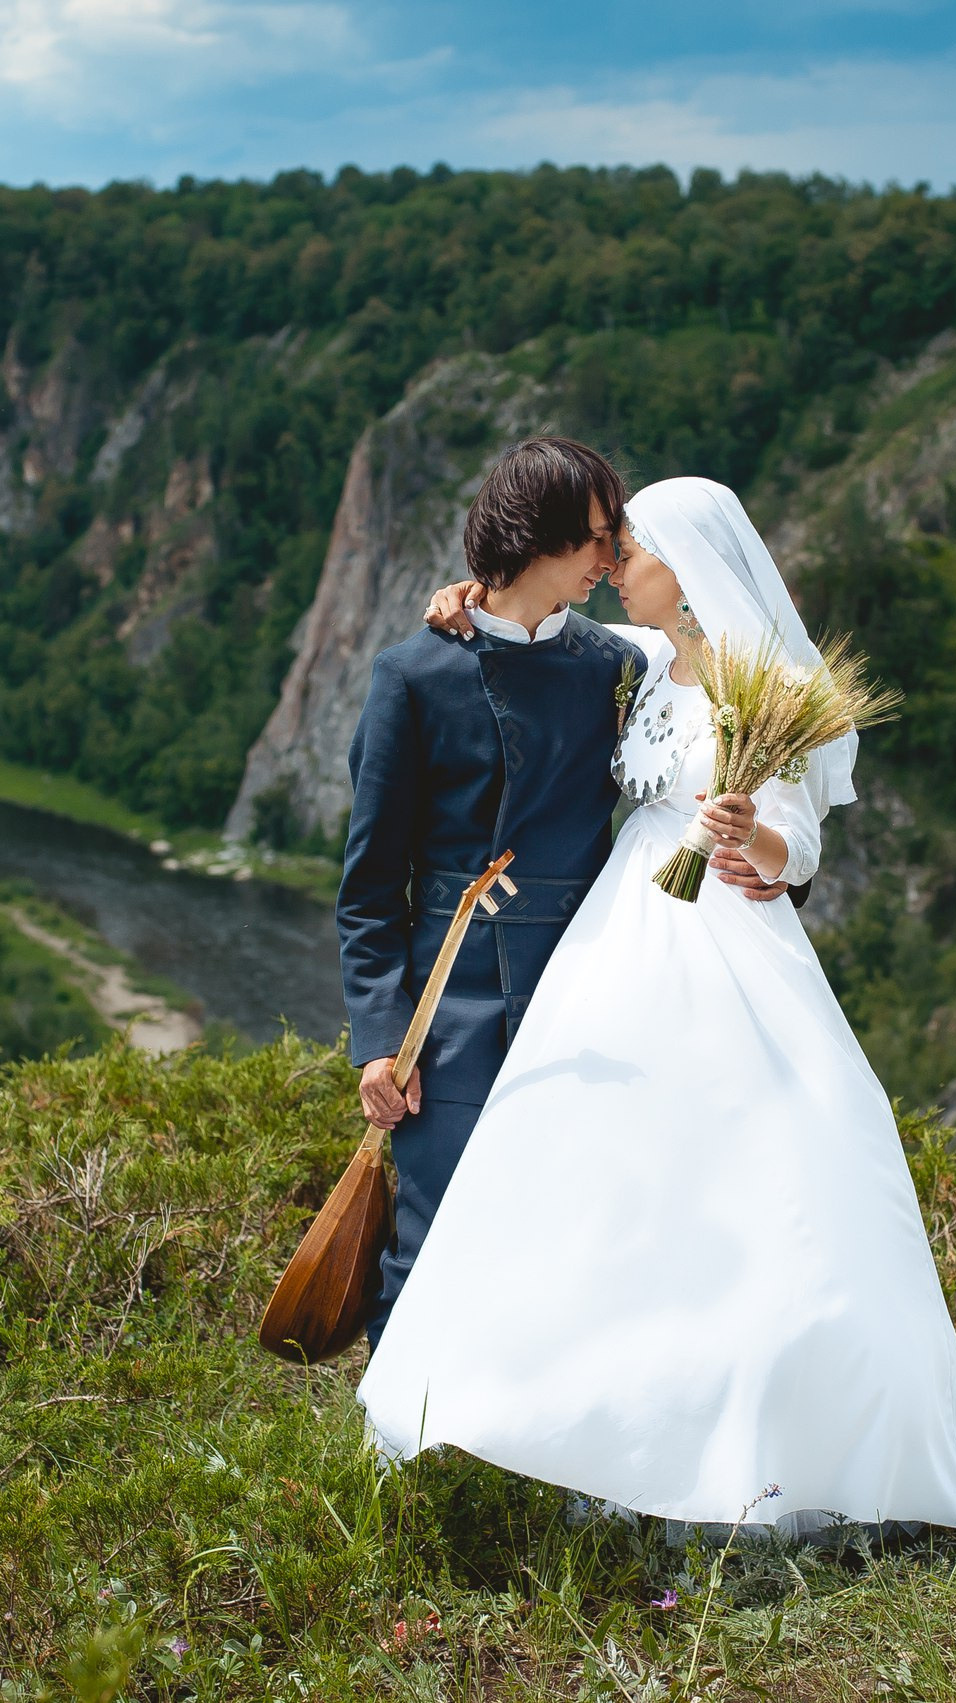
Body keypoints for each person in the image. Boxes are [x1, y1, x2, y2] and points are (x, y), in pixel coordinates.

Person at [358, 477, 956, 1534]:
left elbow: (800, 844)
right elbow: (534, 628)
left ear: (690, 564)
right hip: (620, 933)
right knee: (599, 1180)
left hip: (720, 934)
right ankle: (575, 1409)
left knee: (744, 1181)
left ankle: (743, 1435)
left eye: (634, 546)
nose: (614, 560)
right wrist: (465, 600)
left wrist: (751, 837)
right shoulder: (645, 658)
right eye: (607, 545)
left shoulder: (772, 679)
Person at [337, 439, 789, 1345]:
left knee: (573, 1234)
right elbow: (370, 884)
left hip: (592, 986)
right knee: (431, 1233)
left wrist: (774, 863)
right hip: (450, 997)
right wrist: (380, 1039)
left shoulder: (612, 664)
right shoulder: (413, 675)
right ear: (533, 539)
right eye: (593, 536)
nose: (609, 557)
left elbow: (714, 713)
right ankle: (400, 1461)